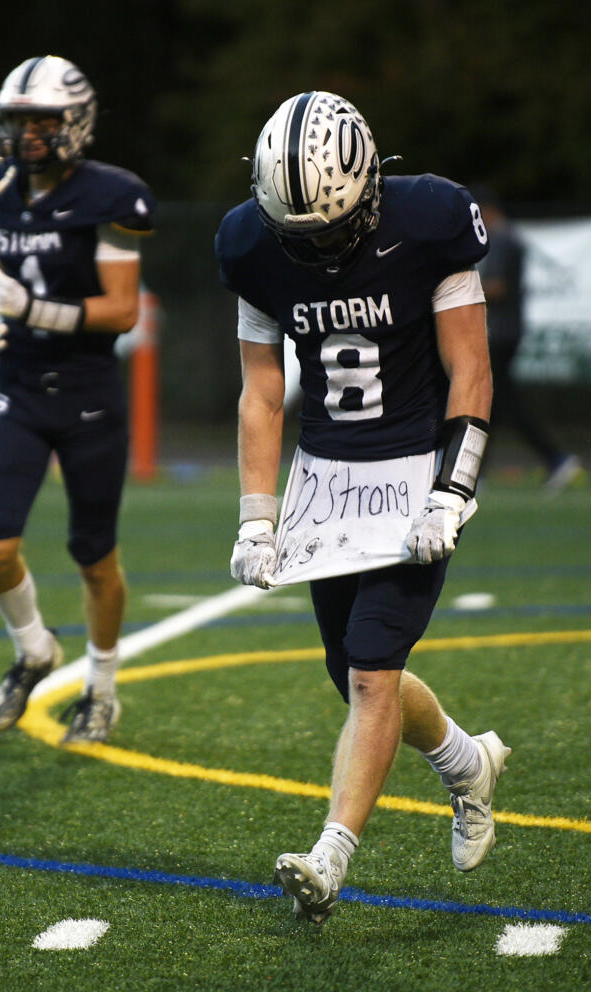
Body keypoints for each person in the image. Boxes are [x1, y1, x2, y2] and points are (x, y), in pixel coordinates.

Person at [216, 91, 511, 925]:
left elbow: (471, 372)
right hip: (327, 475)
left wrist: (454, 490)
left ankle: (330, 857)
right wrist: (255, 513)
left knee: (375, 669)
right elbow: (264, 392)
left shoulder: (429, 222)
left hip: (416, 467)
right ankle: (466, 764)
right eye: (295, 237)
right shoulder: (250, 243)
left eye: (328, 232)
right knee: (350, 674)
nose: (314, 250)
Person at [0, 55, 156, 744]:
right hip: (16, 385)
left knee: (94, 554)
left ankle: (101, 688)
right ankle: (34, 648)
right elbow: (2, 264)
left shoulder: (112, 195)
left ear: (76, 122)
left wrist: (33, 309)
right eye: (17, 121)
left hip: (87, 394)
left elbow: (122, 310)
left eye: (41, 121)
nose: (26, 135)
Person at [472, 184, 581, 494]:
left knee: (501, 404)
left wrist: (463, 292)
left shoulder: (502, 238)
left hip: (501, 332)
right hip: (507, 331)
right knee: (493, 404)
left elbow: (497, 287)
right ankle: (477, 473)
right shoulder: (509, 236)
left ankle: (555, 458)